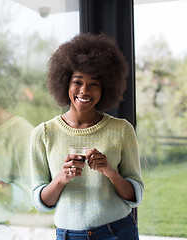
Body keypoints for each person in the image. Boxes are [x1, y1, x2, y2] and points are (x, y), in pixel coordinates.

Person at [30, 33, 144, 240]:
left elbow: (134, 196)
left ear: (105, 88)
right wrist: (61, 179)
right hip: (68, 235)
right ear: (65, 83)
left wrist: (109, 171)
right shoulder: (44, 134)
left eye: (94, 84)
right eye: (77, 81)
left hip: (117, 232)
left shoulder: (122, 130)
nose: (84, 90)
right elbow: (41, 202)